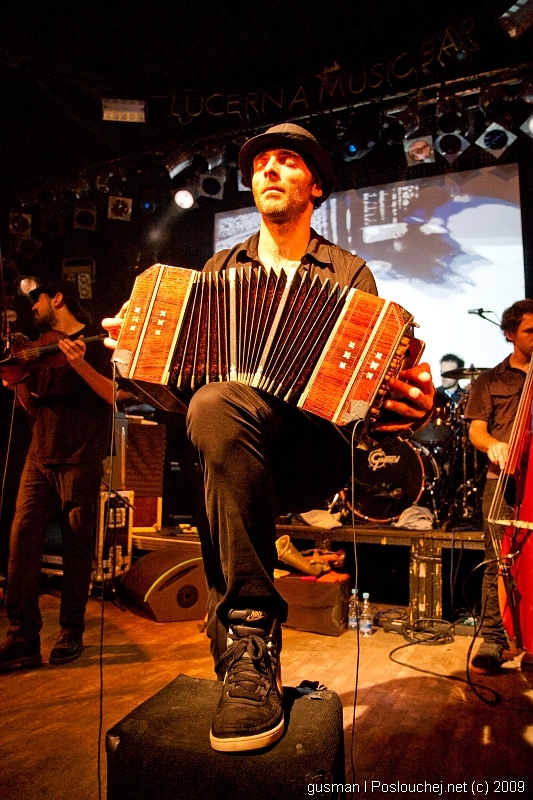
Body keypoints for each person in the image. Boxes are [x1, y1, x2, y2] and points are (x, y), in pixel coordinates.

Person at [103, 123, 434, 752]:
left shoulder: (347, 270)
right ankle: (250, 636)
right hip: (233, 439)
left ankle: (241, 627)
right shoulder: (218, 270)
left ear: (313, 185)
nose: (270, 171)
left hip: (313, 450)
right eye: (260, 165)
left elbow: (361, 393)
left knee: (220, 414)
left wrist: (402, 402)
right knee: (216, 405)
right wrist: (141, 362)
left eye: (287, 162)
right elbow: (186, 400)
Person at [0, 280, 115, 671]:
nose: (33, 308)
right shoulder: (40, 349)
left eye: (39, 300)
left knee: (77, 551)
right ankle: (22, 638)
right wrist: (18, 387)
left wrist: (79, 363)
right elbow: (36, 409)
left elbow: (113, 395)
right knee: (20, 545)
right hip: (39, 456)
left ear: (58, 298)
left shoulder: (96, 342)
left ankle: (71, 633)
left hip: (81, 458)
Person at [464, 299, 533, 674]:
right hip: (502, 479)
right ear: (509, 334)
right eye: (529, 331)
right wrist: (494, 445)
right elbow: (476, 430)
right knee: (497, 561)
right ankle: (493, 639)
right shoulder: (490, 380)